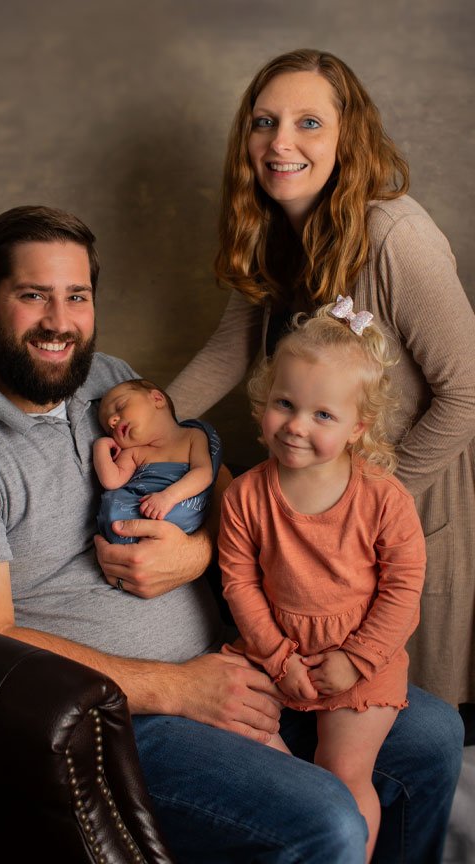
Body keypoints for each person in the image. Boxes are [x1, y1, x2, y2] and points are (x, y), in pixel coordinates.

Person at [0, 204, 462, 863]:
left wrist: (198, 555)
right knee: (326, 820)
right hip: (124, 719)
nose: (59, 322)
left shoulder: (109, 379)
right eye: (32, 296)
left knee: (432, 734)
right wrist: (178, 688)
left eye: (76, 296)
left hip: (240, 656)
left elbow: (228, 495)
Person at [166, 48, 475, 707]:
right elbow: (230, 350)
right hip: (306, 521)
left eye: (309, 122)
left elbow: (467, 393)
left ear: (348, 137)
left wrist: (368, 502)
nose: (280, 142)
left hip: (404, 510)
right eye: (264, 122)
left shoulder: (396, 238)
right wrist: (144, 415)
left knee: (402, 719)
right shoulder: (275, 232)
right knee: (317, 711)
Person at [221, 300, 425, 861]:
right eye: (284, 404)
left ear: (358, 427)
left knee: (341, 774)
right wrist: (277, 656)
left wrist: (356, 660)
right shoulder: (245, 495)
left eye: (322, 416)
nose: (295, 426)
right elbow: (239, 583)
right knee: (241, 725)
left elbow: (403, 591)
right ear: (266, 400)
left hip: (360, 658)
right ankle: (297, 813)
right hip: (275, 648)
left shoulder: (383, 499)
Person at [94, 378, 221, 544]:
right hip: (134, 519)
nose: (112, 421)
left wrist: (168, 497)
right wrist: (101, 446)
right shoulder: (133, 453)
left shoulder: (192, 436)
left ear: (157, 399)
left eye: (120, 407)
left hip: (175, 511)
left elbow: (204, 474)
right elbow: (111, 482)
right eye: (109, 429)